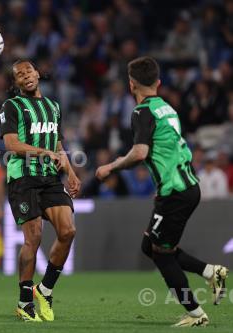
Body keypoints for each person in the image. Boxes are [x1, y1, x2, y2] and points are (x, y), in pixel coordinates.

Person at [95, 56, 228, 327]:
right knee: (151, 245)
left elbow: (140, 152)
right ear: (158, 82)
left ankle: (196, 315)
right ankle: (211, 271)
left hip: (176, 192)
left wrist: (111, 166)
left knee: (161, 253)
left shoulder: (142, 112)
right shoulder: (167, 108)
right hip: (186, 186)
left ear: (131, 85)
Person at [0, 60, 81, 322]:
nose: (25, 76)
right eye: (19, 75)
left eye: (28, 71)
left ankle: (44, 290)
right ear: (16, 84)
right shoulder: (11, 106)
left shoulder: (53, 107)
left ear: (37, 74)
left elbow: (57, 144)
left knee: (68, 231)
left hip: (49, 179)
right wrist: (42, 152)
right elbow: (11, 143)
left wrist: (71, 172)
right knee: (33, 238)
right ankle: (24, 302)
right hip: (23, 178)